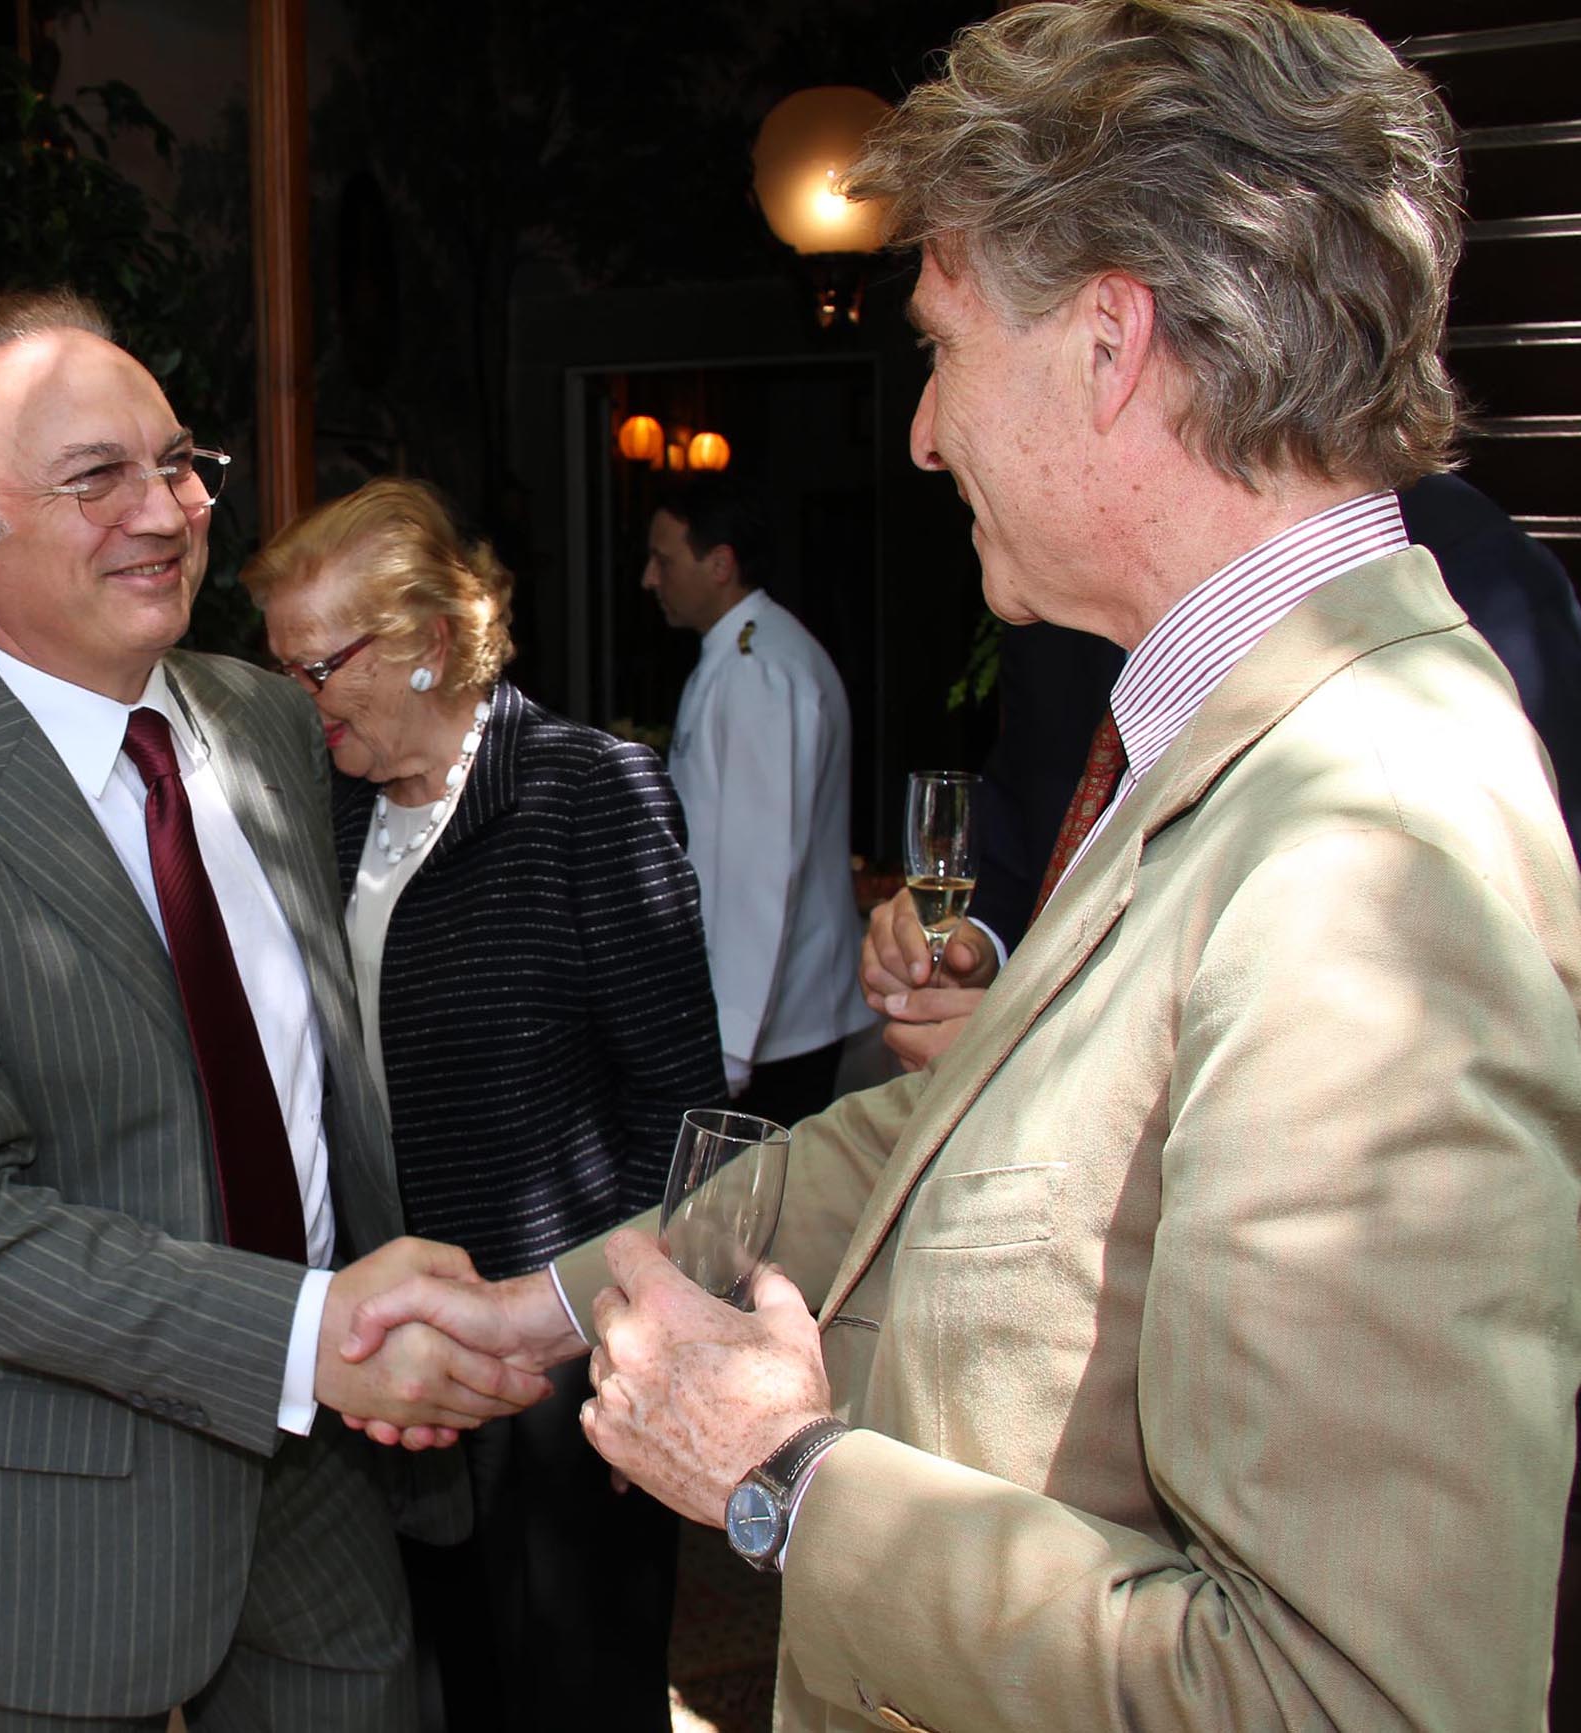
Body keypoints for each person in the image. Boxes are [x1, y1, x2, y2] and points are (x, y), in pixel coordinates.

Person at [340, 4, 1581, 1728]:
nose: (922, 435)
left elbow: (1350, 1694)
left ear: (1108, 342)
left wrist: (786, 1475)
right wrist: (541, 1312)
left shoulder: (1373, 847)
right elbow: (942, 1139)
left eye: (943, 345)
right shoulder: (1226, 753)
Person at [0, 291, 549, 1732]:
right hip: (37, 1535)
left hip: (324, 1486)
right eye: (93, 477)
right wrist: (310, 1329)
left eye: (176, 463)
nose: (166, 510)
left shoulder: (262, 724)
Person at [245, 478, 723, 1733]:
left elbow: (678, 1109)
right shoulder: (324, 811)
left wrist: (628, 1343)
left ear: (430, 645)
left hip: (558, 1372)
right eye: (281, 666)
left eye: (320, 665)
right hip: (391, 1369)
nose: (297, 699)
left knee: (569, 1694)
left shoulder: (582, 791)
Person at [870, 468, 1581, 1071]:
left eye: (950, 355)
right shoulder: (1063, 579)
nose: (927, 436)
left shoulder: (1478, 580)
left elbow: (1435, 1035)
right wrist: (973, 944)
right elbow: (1033, 810)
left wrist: (1023, 1056)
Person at [641, 476, 871, 1124]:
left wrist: (731, 1043)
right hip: (770, 1017)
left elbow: (757, 870)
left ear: (720, 564)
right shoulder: (742, 655)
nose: (649, 579)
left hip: (775, 1027)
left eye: (664, 559)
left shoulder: (758, 671)